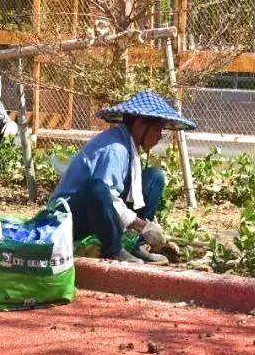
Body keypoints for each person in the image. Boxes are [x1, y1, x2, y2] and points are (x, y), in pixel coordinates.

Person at [50, 90, 195, 265]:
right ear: (141, 124)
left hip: (98, 211)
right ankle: (114, 249)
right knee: (97, 187)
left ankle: (136, 246)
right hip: (69, 218)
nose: (159, 136)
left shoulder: (128, 145)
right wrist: (142, 226)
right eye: (158, 129)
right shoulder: (115, 148)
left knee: (154, 178)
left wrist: (147, 226)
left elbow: (126, 195)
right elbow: (103, 195)